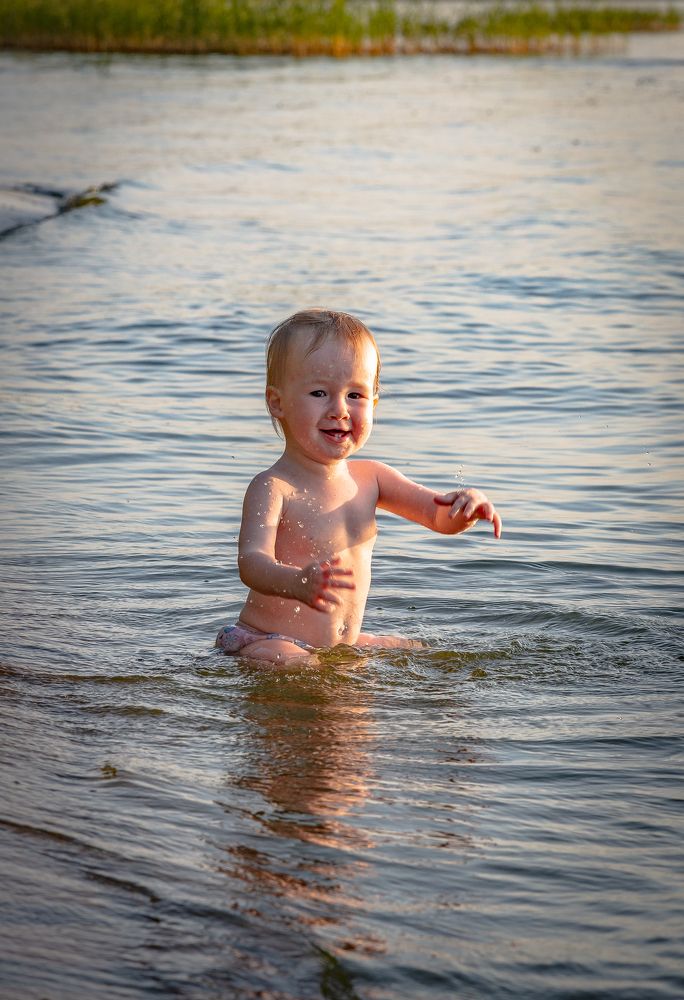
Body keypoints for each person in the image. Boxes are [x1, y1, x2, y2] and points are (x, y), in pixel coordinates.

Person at [216, 309, 501, 664]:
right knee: (304, 665)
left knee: (417, 652)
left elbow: (438, 517)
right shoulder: (274, 486)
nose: (340, 409)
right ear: (278, 402)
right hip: (267, 639)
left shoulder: (373, 477)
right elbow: (251, 563)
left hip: (338, 644)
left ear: (374, 403)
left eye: (356, 395)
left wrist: (467, 507)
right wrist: (296, 583)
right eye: (319, 392)